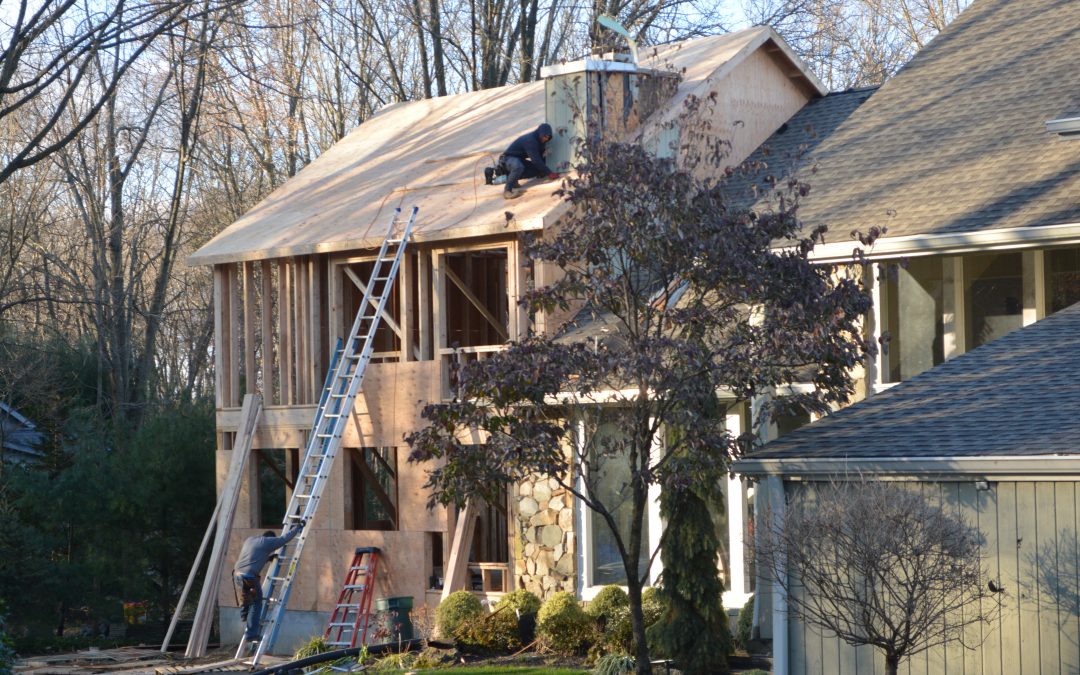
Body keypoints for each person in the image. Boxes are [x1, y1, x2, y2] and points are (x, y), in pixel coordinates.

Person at [233, 520, 305, 643]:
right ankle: (251, 635)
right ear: (270, 538)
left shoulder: (250, 540)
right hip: (250, 577)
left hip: (237, 574)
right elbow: (284, 539)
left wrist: (267, 558)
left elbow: (251, 557)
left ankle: (244, 615)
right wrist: (298, 527)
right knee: (256, 604)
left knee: (245, 597)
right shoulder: (269, 542)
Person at [499, 123, 559, 199]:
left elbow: (540, 158)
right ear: (540, 133)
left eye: (548, 137)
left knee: (537, 170)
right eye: (544, 136)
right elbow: (536, 160)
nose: (546, 139)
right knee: (518, 167)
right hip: (507, 159)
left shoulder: (541, 141)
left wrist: (543, 172)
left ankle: (513, 179)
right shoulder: (530, 141)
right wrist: (549, 173)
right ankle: (507, 190)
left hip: (519, 159)